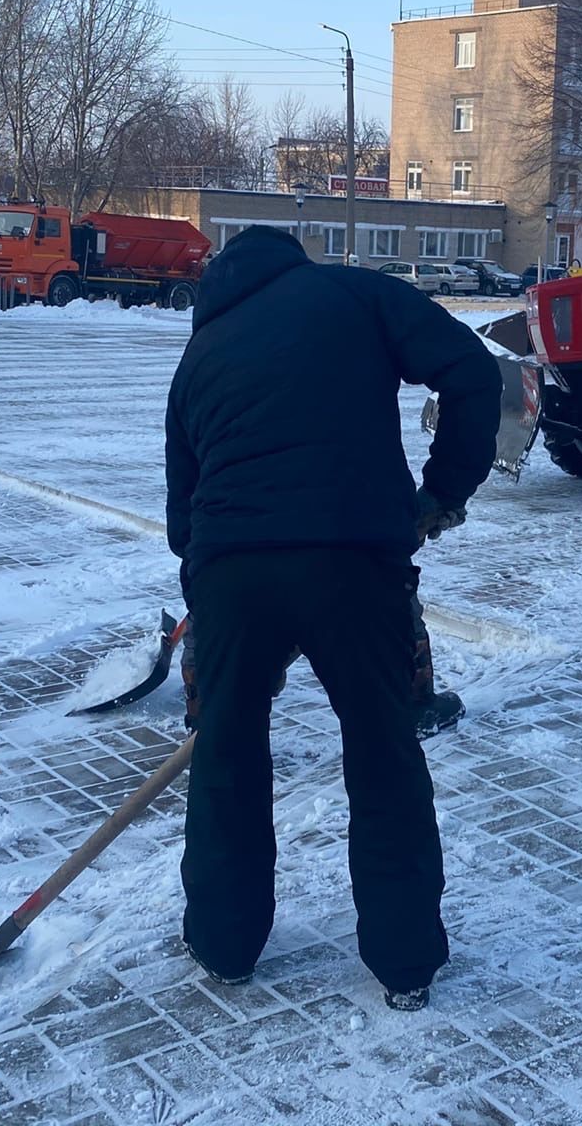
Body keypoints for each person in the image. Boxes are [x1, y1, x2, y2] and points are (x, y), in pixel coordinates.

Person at [165, 224, 501, 1012]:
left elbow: (185, 512)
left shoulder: (199, 354)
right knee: (384, 752)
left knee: (228, 755)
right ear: (293, 259)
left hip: (233, 570)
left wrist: (214, 604)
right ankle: (405, 963)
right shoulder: (355, 294)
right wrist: (442, 491)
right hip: (355, 562)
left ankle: (224, 946)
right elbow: (473, 371)